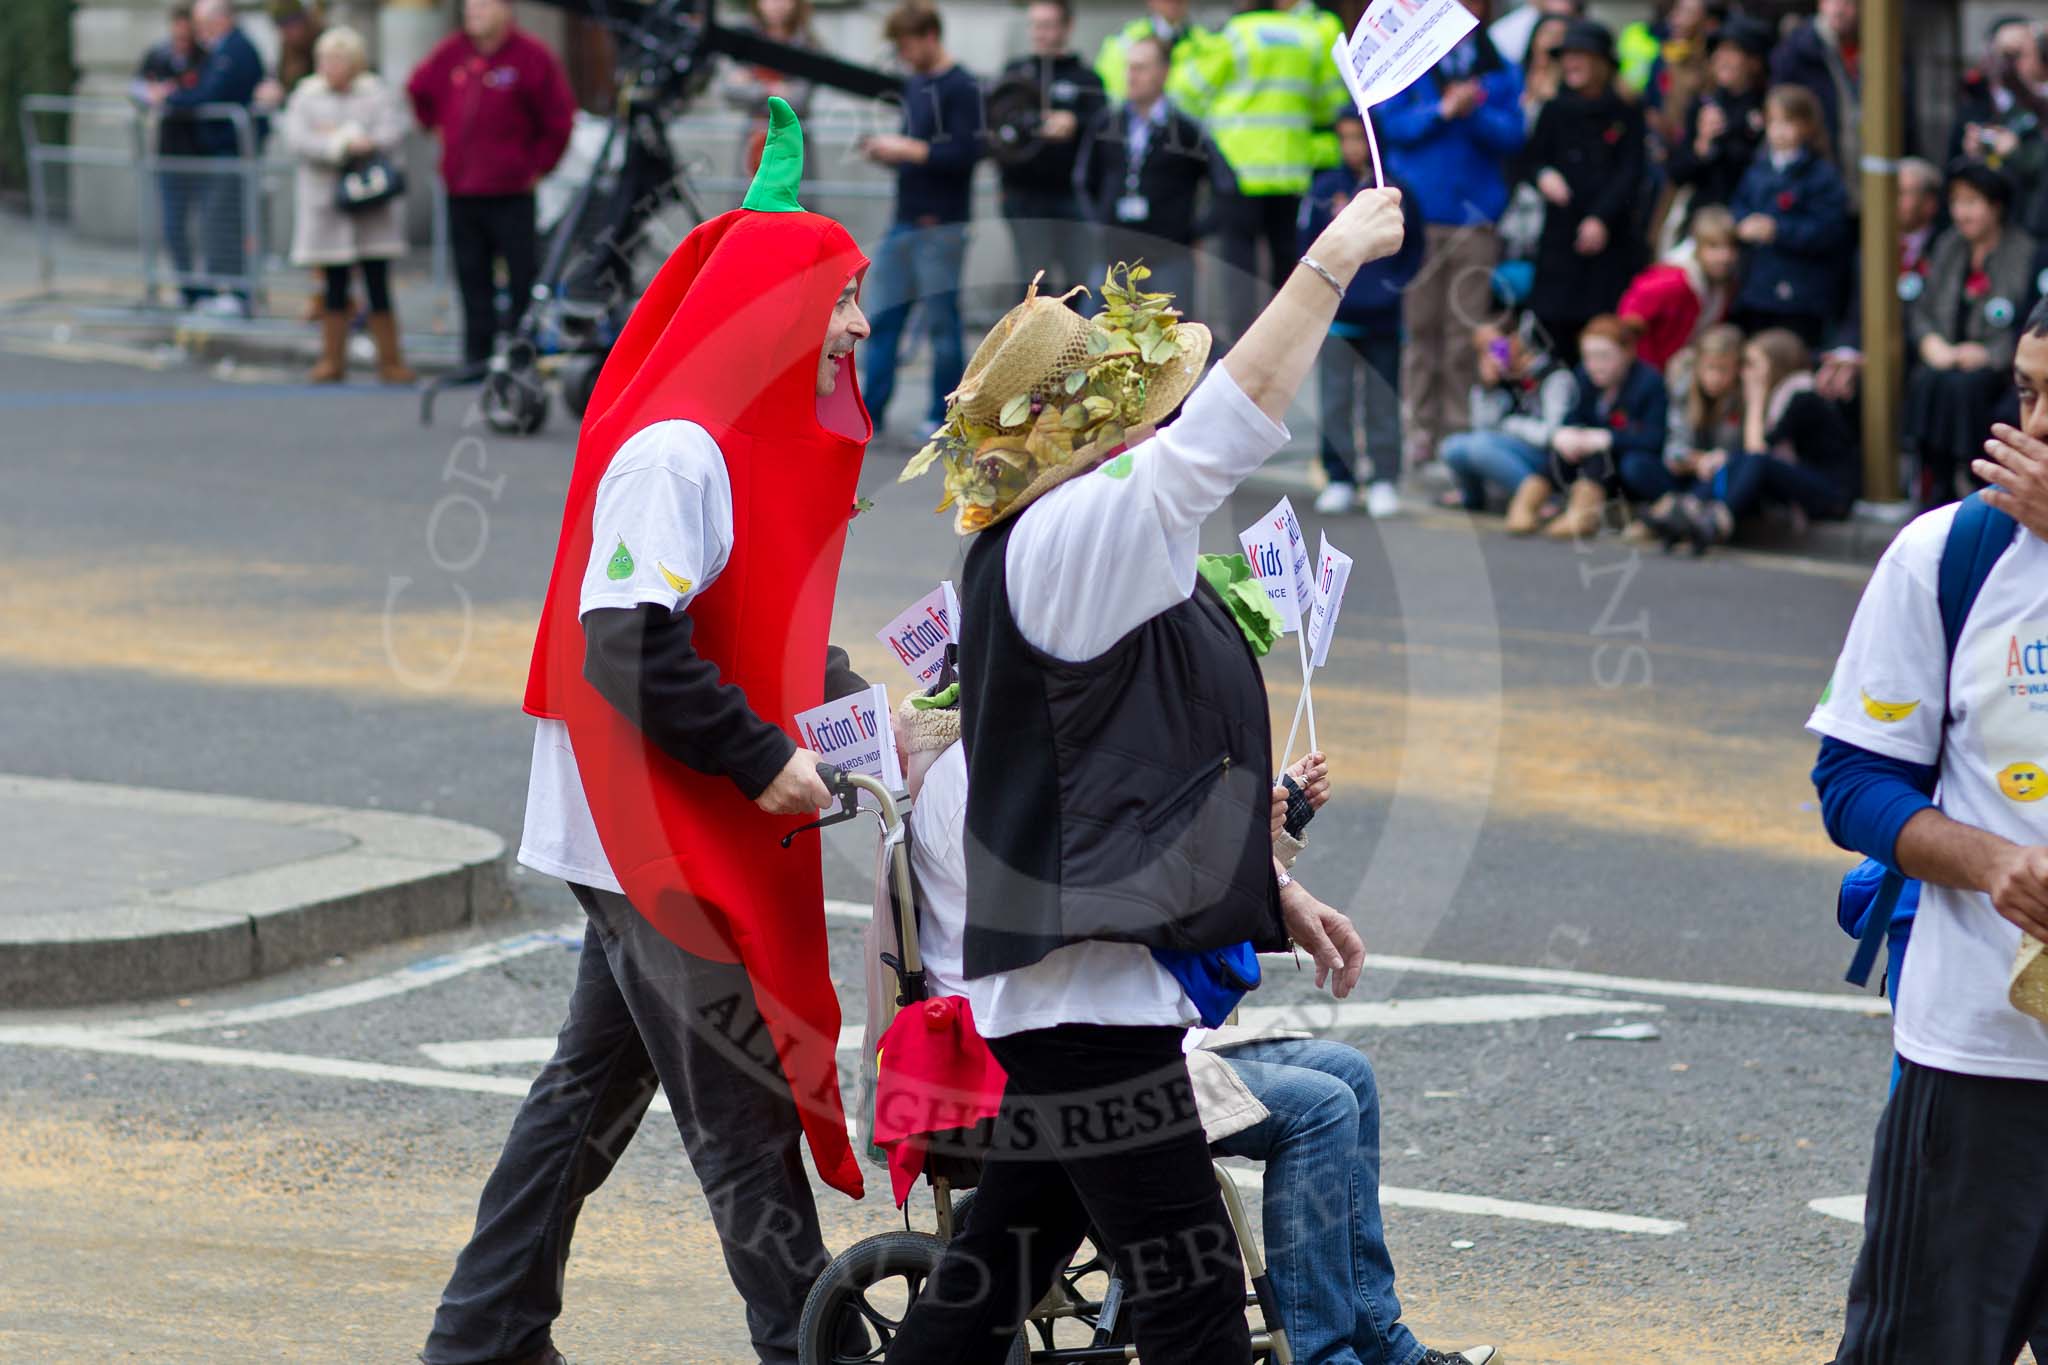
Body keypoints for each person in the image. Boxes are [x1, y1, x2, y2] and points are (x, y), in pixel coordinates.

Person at [887, 189, 1406, 1365]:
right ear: (1098, 431)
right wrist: (1324, 262)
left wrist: (1273, 889)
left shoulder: (1075, 534)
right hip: (1082, 1002)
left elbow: (1148, 766)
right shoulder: (1074, 534)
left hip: (1081, 988)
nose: (1162, 425)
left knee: (991, 1280)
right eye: (1145, 411)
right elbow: (1238, 418)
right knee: (1188, 1304)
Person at [422, 102, 875, 1365]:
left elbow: (754, 627)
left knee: (591, 1086)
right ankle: (808, 1345)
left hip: (648, 810)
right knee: (736, 1104)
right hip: (643, 822)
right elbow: (620, 638)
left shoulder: (729, 433)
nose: (858, 326)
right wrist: (764, 757)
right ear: (780, 308)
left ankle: (482, 1335)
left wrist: (863, 718)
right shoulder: (677, 449)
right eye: (842, 298)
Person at [893, 695, 1497, 1365]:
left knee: (1003, 1261)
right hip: (1078, 1027)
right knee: (1221, 1243)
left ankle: (1376, 1339)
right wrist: (1243, 842)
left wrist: (1259, 843)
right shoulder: (989, 773)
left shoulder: (1034, 739)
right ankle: (1326, 1355)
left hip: (1102, 1018)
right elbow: (1113, 885)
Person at [1807, 297, 2048, 1364]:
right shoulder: (1943, 555)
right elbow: (1852, 781)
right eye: (2028, 393)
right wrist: (1991, 863)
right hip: (1977, 1060)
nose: (2031, 429)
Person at [1378, 0, 1525, 469]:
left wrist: (1473, 112)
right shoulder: (1410, 56)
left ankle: (1456, 436)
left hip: (1476, 220)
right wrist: (1443, 110)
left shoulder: (1498, 68)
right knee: (1420, 329)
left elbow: (1513, 135)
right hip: (1420, 217)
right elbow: (1391, 125)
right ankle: (1419, 432)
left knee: (1467, 333)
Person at [406, 0, 576, 368]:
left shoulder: (531, 57)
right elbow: (418, 89)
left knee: (521, 278)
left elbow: (559, 120)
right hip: (462, 189)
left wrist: (539, 167)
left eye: (482, 6)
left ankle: (520, 357)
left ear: (504, 10)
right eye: (469, 7)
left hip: (512, 190)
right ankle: (476, 357)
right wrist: (436, 128)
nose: (473, 13)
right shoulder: (452, 53)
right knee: (471, 277)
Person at [1181, 0, 1349, 345]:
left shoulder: (1234, 35)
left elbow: (1186, 91)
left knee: (1239, 265)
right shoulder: (1308, 36)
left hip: (1238, 168)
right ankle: (1285, 342)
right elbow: (1331, 103)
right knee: (1287, 261)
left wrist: (1213, 121)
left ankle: (1243, 346)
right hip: (1290, 169)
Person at [857, 2, 983, 439]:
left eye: (907, 45)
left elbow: (965, 155)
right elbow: (921, 152)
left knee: (942, 327)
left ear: (930, 36)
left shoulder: (963, 87)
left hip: (942, 225)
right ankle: (868, 414)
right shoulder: (915, 84)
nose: (904, 55)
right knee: (881, 320)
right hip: (905, 219)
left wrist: (906, 149)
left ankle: (942, 416)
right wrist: (888, 152)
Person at [1301, 113, 1427, 516]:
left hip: (1383, 318)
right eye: (1345, 139)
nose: (1352, 147)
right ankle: (1339, 476)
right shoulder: (1324, 189)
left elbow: (1414, 246)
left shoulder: (1395, 192)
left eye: (1359, 138)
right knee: (1335, 398)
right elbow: (1307, 242)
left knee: (1381, 399)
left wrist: (1393, 285)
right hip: (1336, 314)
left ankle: (1384, 478)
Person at [1645, 327, 1855, 554]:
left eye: (1753, 364)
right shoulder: (1780, 394)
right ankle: (1688, 508)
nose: (1746, 372)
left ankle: (1717, 519)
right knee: (1734, 460)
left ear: (1775, 364)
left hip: (1830, 493)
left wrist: (1755, 398)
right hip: (1799, 482)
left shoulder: (1801, 395)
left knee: (1754, 460)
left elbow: (1758, 451)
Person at [282, 26, 412, 385]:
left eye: (337, 58)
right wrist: (336, 146)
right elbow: (297, 139)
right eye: (325, 58)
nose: (330, 65)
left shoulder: (375, 93)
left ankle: (390, 360)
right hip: (328, 204)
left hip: (370, 203)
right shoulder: (307, 96)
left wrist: (364, 142)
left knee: (377, 282)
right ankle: (331, 359)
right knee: (334, 284)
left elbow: (395, 129)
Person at [1905, 161, 2039, 507]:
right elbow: (1922, 308)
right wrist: (1930, 343)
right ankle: (1933, 478)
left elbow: (2028, 321)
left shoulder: (2024, 252)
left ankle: (1970, 475)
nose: (1961, 213)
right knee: (1929, 380)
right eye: (1957, 202)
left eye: (1972, 202)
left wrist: (1988, 354)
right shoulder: (1947, 246)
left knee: (1965, 387)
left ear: (1995, 207)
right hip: (1947, 356)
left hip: (1995, 365)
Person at [1073, 34, 1235, 311]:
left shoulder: (1185, 130)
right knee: (1094, 336)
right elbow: (1083, 179)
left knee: (1170, 342)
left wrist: (1194, 231)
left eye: (1141, 68)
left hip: (1168, 257)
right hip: (1115, 258)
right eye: (1129, 67)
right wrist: (1099, 224)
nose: (1131, 75)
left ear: (1163, 72)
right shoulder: (1108, 123)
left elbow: (1226, 184)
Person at [1519, 19, 1646, 365]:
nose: (1572, 64)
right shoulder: (1554, 109)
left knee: (1601, 329)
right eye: (1568, 56)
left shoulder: (1625, 111)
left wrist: (1601, 218)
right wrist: (1544, 175)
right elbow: (1529, 159)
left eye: (1582, 56)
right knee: (1552, 328)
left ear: (1601, 62)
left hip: (1609, 239)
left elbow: (1631, 172)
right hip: (1561, 238)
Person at [147, 0, 264, 318]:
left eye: (202, 25)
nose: (200, 33)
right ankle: (222, 290)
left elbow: (213, 94)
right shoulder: (220, 49)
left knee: (223, 223)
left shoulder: (234, 50)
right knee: (217, 224)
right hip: (216, 149)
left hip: (230, 148)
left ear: (221, 19)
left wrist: (171, 98)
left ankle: (233, 292)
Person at [1508, 313, 1668, 539]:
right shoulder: (1584, 376)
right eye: (1589, 357)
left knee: (1610, 456)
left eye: (1604, 356)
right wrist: (1568, 436)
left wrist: (1608, 438)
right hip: (1592, 458)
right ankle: (1525, 506)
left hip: (1630, 465)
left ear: (1628, 353)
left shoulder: (1649, 382)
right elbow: (1573, 417)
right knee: (1565, 451)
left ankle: (1583, 515)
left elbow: (1654, 438)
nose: (1595, 365)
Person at [992, 0, 1105, 298]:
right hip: (1025, 198)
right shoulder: (1014, 73)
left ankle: (1074, 345)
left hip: (1071, 197)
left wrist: (1073, 122)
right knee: (1032, 287)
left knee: (1079, 286)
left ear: (1066, 27)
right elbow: (993, 130)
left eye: (1047, 25)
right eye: (1035, 25)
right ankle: (1031, 346)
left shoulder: (1086, 79)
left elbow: (1104, 132)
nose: (1039, 33)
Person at [1725, 83, 1851, 351]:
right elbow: (1739, 203)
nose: (1779, 131)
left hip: (1801, 291)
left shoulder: (1821, 175)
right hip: (1758, 287)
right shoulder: (1758, 168)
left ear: (1807, 126)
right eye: (1773, 122)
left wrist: (1778, 230)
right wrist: (1743, 224)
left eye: (1788, 123)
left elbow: (1828, 230)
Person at [1440, 320, 1575, 518]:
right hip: (1505, 446)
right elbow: (1481, 428)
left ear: (1515, 340)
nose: (1491, 355)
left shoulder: (1554, 375)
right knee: (1453, 446)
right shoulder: (1502, 378)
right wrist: (1488, 388)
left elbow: (1552, 434)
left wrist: (1511, 425)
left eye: (1496, 347)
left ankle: (1539, 499)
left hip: (1547, 455)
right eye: (1483, 351)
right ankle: (1473, 498)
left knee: (1480, 446)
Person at [1635, 320, 1742, 536]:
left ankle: (1673, 512)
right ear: (1698, 365)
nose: (1716, 378)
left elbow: (1742, 451)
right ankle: (1678, 510)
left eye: (1724, 370)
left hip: (1721, 473)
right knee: (1637, 465)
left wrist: (1713, 460)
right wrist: (1698, 460)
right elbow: (1673, 452)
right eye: (1710, 368)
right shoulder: (1683, 390)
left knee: (1722, 471)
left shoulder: (1742, 397)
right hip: (1690, 469)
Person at [134, 4, 208, 308]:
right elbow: (136, 85)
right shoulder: (159, 55)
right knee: (173, 224)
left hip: (203, 154)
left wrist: (172, 95)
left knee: (210, 225)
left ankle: (212, 288)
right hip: (169, 153)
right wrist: (149, 94)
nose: (180, 39)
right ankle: (186, 285)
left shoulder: (206, 57)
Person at [1662, 13, 1768, 216]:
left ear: (1754, 61)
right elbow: (1678, 173)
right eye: (1719, 50)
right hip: (1705, 216)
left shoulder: (1767, 106)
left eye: (1733, 51)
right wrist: (1702, 145)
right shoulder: (1704, 104)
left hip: (1750, 215)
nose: (1722, 59)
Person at [1615, 205, 1737, 372]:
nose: (1724, 257)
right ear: (1697, 247)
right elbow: (1630, 319)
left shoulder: (1722, 287)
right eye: (1714, 247)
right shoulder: (1672, 282)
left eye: (1730, 247)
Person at [715, 0, 817, 175]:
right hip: (753, 144)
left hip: (790, 144)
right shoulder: (746, 42)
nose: (777, 4)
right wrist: (771, 88)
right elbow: (729, 91)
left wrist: (752, 87)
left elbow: (797, 101)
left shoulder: (807, 46)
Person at [1093, 0, 1220, 104]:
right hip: (1136, 126)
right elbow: (1109, 91)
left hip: (1191, 130)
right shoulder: (1125, 41)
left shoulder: (1208, 42)